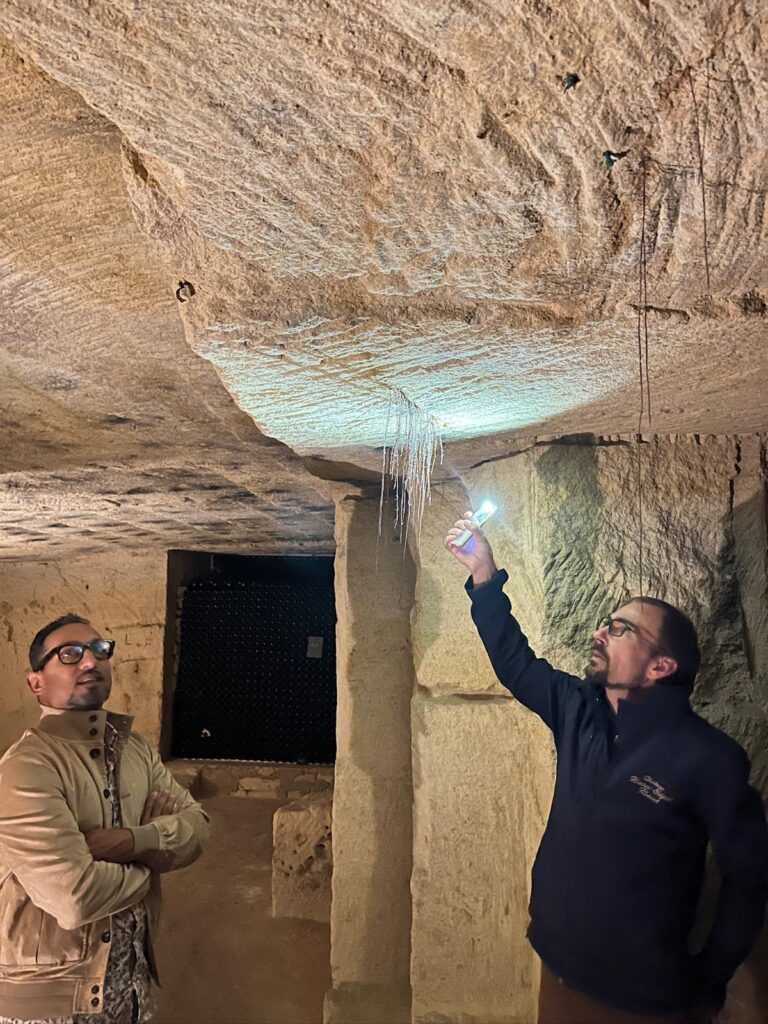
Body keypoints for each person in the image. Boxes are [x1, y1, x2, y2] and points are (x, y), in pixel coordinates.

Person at [445, 514, 768, 1024]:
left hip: (645, 1000)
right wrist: (483, 575)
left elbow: (748, 880)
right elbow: (514, 662)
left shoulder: (710, 757)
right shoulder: (577, 709)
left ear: (661, 666)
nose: (601, 632)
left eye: (620, 629)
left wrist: (707, 981)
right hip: (558, 968)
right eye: (606, 622)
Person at [0, 614, 210, 1023]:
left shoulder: (136, 751)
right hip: (51, 1005)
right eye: (69, 654)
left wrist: (130, 842)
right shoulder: (26, 769)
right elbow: (75, 897)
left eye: (99, 650)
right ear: (36, 682)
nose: (89, 662)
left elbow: (198, 828)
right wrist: (150, 864)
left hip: (130, 991)